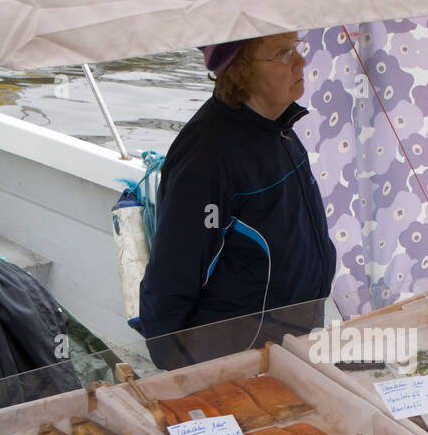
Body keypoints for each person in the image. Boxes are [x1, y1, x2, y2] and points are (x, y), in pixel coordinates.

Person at [135, 32, 336, 368]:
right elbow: (172, 276)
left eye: (296, 48)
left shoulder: (276, 126)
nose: (301, 61)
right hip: (240, 352)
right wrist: (178, 371)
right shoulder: (209, 156)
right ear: (240, 70)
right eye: (283, 53)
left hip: (291, 338)